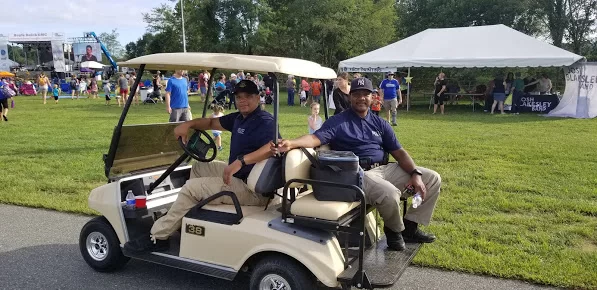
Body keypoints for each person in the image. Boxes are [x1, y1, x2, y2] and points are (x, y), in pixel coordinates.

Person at [272, 77, 441, 251]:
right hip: (358, 174)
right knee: (389, 193)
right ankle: (394, 232)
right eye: (356, 94)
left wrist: (415, 173)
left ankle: (410, 228)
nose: (361, 98)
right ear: (350, 97)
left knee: (432, 179)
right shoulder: (338, 122)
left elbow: (399, 152)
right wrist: (292, 143)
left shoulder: (380, 123)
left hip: (384, 168)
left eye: (365, 94)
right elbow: (315, 138)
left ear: (372, 97)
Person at [124, 80, 277, 253]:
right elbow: (211, 124)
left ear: (258, 98)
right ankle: (191, 217)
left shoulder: (264, 121)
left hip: (253, 190)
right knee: (198, 168)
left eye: (248, 96)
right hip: (240, 176)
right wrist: (188, 124)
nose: (242, 100)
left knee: (191, 188)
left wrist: (241, 161)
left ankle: (158, 237)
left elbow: (274, 147)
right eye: (239, 97)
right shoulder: (239, 118)